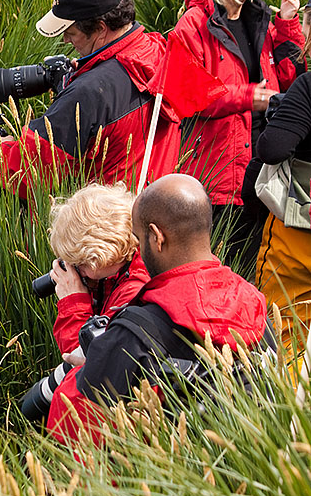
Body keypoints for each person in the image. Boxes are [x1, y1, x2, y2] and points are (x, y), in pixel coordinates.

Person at [45, 174, 271, 447]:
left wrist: (74, 306)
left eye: (139, 238)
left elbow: (78, 416)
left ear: (157, 237)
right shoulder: (255, 303)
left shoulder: (137, 329)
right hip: (246, 455)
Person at [172, 0, 305, 276]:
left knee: (258, 264)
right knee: (221, 264)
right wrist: (248, 97)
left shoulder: (260, 18)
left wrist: (288, 24)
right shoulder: (195, 24)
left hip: (263, 167)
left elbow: (293, 82)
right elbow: (188, 93)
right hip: (217, 171)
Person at [0, 0, 179, 197]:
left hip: (106, 223)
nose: (65, 40)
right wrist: (91, 68)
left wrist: (1, 153)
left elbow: (31, 173)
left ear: (101, 28)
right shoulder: (156, 50)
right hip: (154, 209)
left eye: (71, 32)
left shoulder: (90, 92)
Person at [47, 183, 149, 357]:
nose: (77, 270)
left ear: (98, 254)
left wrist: (74, 301)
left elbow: (86, 358)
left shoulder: (134, 291)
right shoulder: (127, 266)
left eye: (80, 263)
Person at [255, 70, 311, 374]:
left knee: (284, 333)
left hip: (299, 234)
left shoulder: (308, 86)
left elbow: (273, 148)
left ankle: (289, 416)